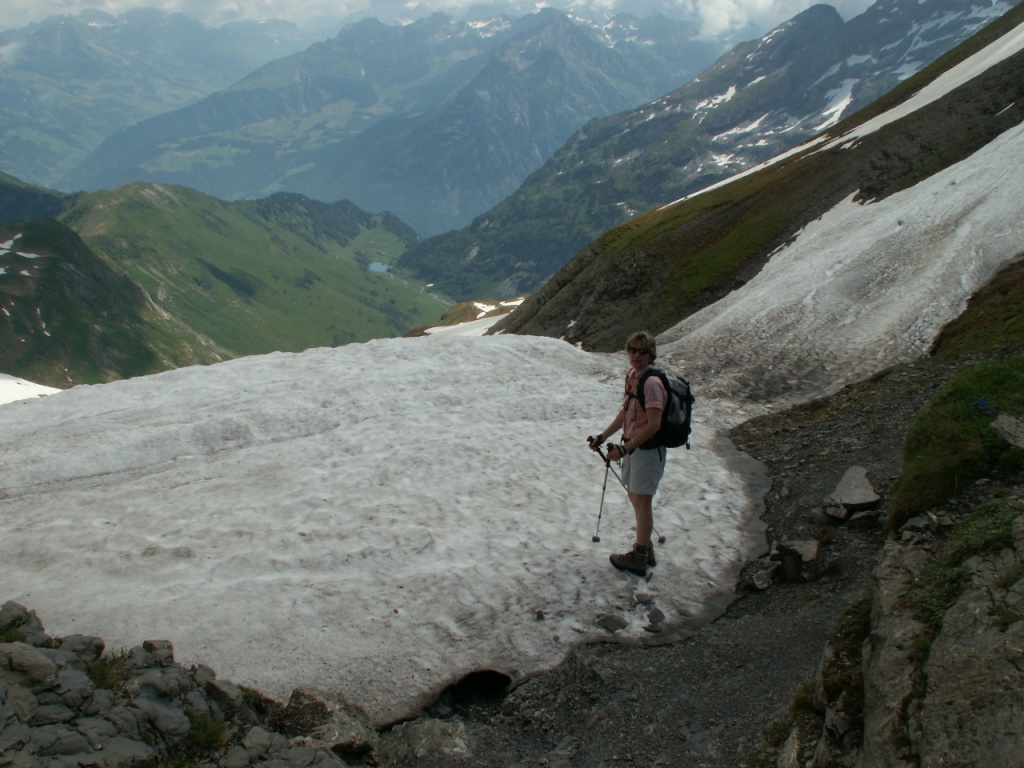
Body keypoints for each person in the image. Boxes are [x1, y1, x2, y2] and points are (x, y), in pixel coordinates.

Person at [588, 331, 668, 576]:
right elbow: (625, 412)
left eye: (642, 351)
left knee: (642, 504)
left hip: (647, 451)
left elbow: (654, 424)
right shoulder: (633, 377)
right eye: (632, 350)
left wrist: (624, 447)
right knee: (636, 500)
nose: (636, 355)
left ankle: (640, 556)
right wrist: (604, 436)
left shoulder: (652, 384)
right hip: (634, 449)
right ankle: (645, 549)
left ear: (651, 355)